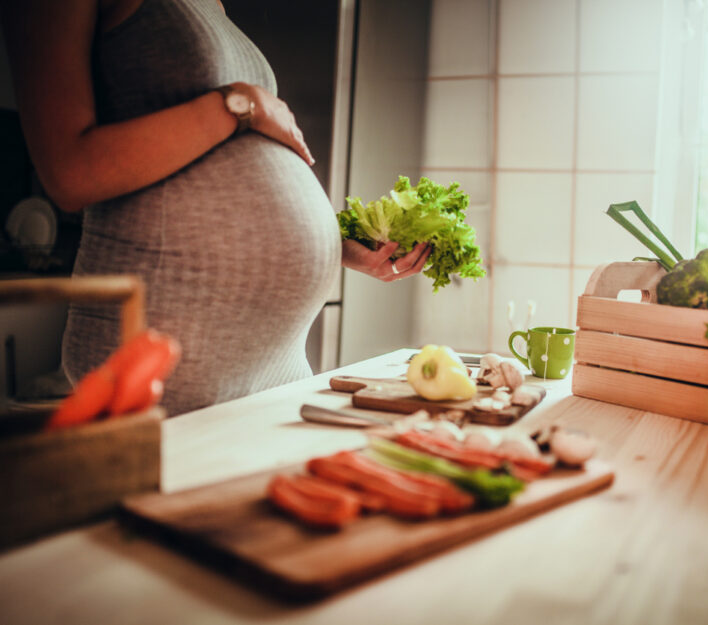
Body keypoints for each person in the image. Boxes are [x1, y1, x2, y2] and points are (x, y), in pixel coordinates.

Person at [0, 0, 431, 416]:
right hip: (171, 356)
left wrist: (337, 244)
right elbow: (70, 173)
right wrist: (242, 103)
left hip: (278, 362)